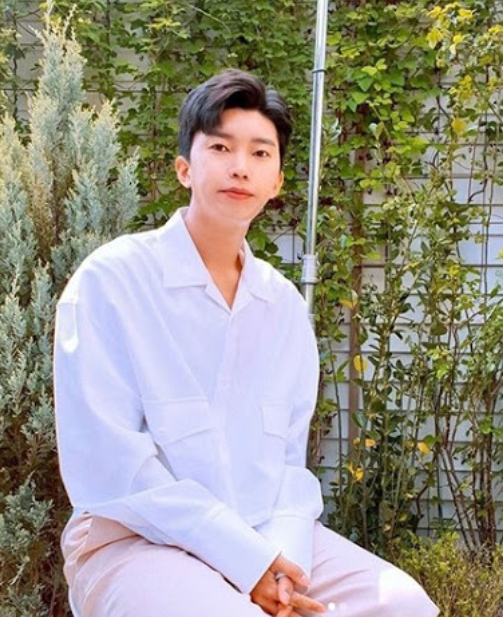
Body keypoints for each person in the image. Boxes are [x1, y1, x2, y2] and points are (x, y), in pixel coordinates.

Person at [54, 68, 439, 617]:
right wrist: (245, 560)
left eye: (260, 153)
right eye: (220, 147)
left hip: (264, 533)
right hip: (134, 541)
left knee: (403, 606)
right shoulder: (112, 282)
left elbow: (288, 465)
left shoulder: (281, 306)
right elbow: (110, 465)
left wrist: (280, 565)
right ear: (184, 168)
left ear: (277, 181)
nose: (240, 166)